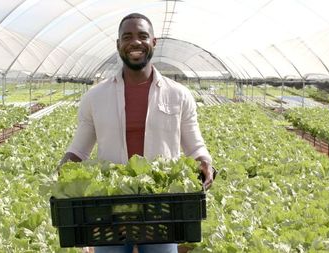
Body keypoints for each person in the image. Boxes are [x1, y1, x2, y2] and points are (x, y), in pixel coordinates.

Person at [59, 12, 216, 253]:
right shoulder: (95, 97)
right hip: (111, 206)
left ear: (154, 42)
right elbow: (79, 149)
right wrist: (64, 166)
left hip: (160, 207)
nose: (135, 42)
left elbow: (195, 146)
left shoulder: (178, 95)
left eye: (143, 36)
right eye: (127, 36)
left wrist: (205, 162)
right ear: (118, 45)